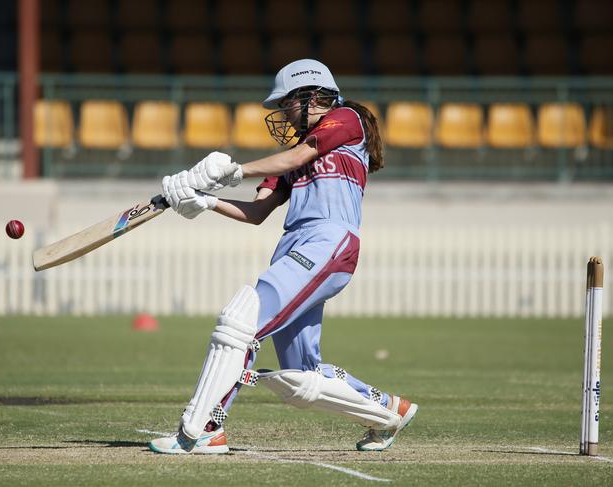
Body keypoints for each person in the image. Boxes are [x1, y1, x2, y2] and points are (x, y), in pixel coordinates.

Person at [150, 59, 417, 455]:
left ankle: (203, 428)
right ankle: (387, 412)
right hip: (295, 248)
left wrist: (227, 172)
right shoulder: (295, 153)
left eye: (287, 103)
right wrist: (203, 200)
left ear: (311, 96)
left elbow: (296, 157)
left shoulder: (346, 119)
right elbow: (256, 213)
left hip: (328, 241)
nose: (283, 114)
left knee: (239, 320)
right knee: (299, 378)